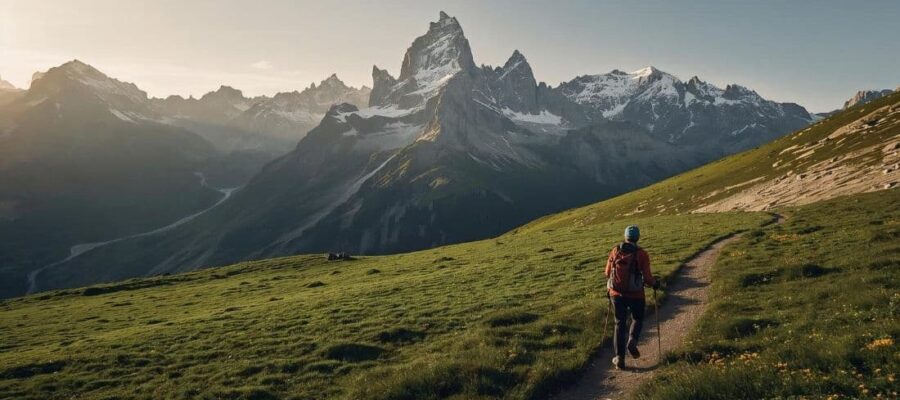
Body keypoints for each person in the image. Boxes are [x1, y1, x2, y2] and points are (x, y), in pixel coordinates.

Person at [605, 225, 659, 369]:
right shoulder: (642, 254)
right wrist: (655, 283)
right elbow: (648, 278)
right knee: (637, 318)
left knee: (619, 323)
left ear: (625, 237)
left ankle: (619, 358)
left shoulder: (615, 250)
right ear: (638, 237)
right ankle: (632, 341)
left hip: (616, 294)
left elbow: (607, 273)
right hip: (636, 294)